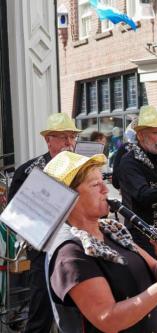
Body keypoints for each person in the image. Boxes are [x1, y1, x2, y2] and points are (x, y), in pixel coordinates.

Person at [43, 151, 157, 332]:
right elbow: (108, 318)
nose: (105, 190)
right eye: (96, 185)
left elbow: (156, 275)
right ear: (69, 196)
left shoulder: (112, 232)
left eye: (103, 182)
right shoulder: (70, 254)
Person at [8, 112, 81, 333]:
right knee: (41, 312)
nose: (69, 143)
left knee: (78, 308)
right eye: (62, 137)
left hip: (78, 244)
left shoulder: (81, 168)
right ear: (48, 139)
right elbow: (16, 217)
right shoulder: (28, 171)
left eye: (72, 137)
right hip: (44, 250)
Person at [119, 106, 157, 255]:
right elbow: (143, 195)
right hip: (141, 233)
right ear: (140, 135)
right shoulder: (129, 161)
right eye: (156, 133)